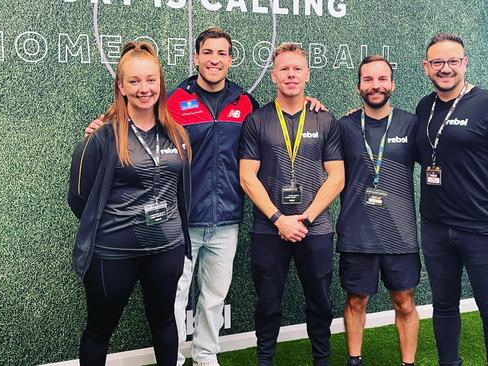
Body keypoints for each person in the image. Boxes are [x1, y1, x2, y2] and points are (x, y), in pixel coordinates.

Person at [83, 28, 325, 366]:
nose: (214, 59)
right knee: (176, 297)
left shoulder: (245, 102)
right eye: (207, 52)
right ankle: (176, 357)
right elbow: (136, 113)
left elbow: (279, 117)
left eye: (222, 53)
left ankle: (206, 354)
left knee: (213, 297)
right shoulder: (173, 99)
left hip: (226, 218)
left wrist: (310, 103)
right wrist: (104, 122)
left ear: (229, 59)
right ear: (196, 57)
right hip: (180, 220)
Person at [67, 41, 192, 366]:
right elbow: (80, 200)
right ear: (121, 86)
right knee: (98, 331)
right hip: (113, 254)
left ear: (160, 82)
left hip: (166, 249)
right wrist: (120, 224)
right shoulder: (102, 136)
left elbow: (181, 193)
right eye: (134, 81)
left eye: (150, 80)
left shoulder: (177, 135)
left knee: (164, 323)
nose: (144, 88)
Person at [415, 33, 488, 366]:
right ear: (427, 67)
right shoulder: (425, 106)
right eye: (437, 62)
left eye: (453, 61)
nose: (445, 68)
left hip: (483, 228)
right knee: (444, 306)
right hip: (436, 227)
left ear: (464, 63)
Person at [239, 43, 345, 366]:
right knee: (267, 304)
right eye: (284, 69)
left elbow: (337, 177)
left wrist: (305, 219)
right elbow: (247, 177)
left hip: (316, 229)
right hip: (269, 229)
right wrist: (279, 219)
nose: (291, 75)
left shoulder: (325, 120)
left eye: (297, 69)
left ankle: (321, 360)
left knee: (320, 303)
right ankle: (265, 360)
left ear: (307, 75)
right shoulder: (257, 121)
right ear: (273, 75)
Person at [336, 55, 420, 366]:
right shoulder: (344, 126)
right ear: (359, 86)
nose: (376, 85)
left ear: (392, 84)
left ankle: (407, 363)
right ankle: (354, 360)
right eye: (368, 79)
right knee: (356, 300)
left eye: (382, 79)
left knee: (405, 303)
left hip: (400, 235)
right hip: (357, 233)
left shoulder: (411, 125)